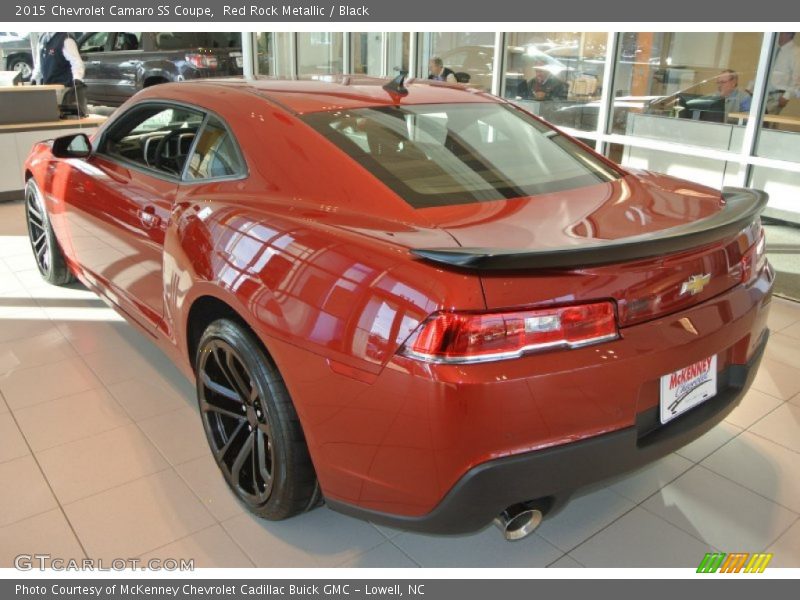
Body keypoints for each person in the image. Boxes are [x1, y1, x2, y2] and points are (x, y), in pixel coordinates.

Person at [30, 32, 87, 117]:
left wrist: (77, 79)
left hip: (63, 90)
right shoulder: (42, 39)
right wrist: (34, 78)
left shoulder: (65, 39)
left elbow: (77, 62)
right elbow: (39, 64)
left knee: (63, 119)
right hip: (48, 89)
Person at [769, 32, 800, 113]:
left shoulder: (796, 52)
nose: (777, 34)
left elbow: (797, 77)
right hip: (765, 94)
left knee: (766, 123)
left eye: (780, 33)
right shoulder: (774, 50)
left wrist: (786, 96)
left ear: (789, 34)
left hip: (777, 97)